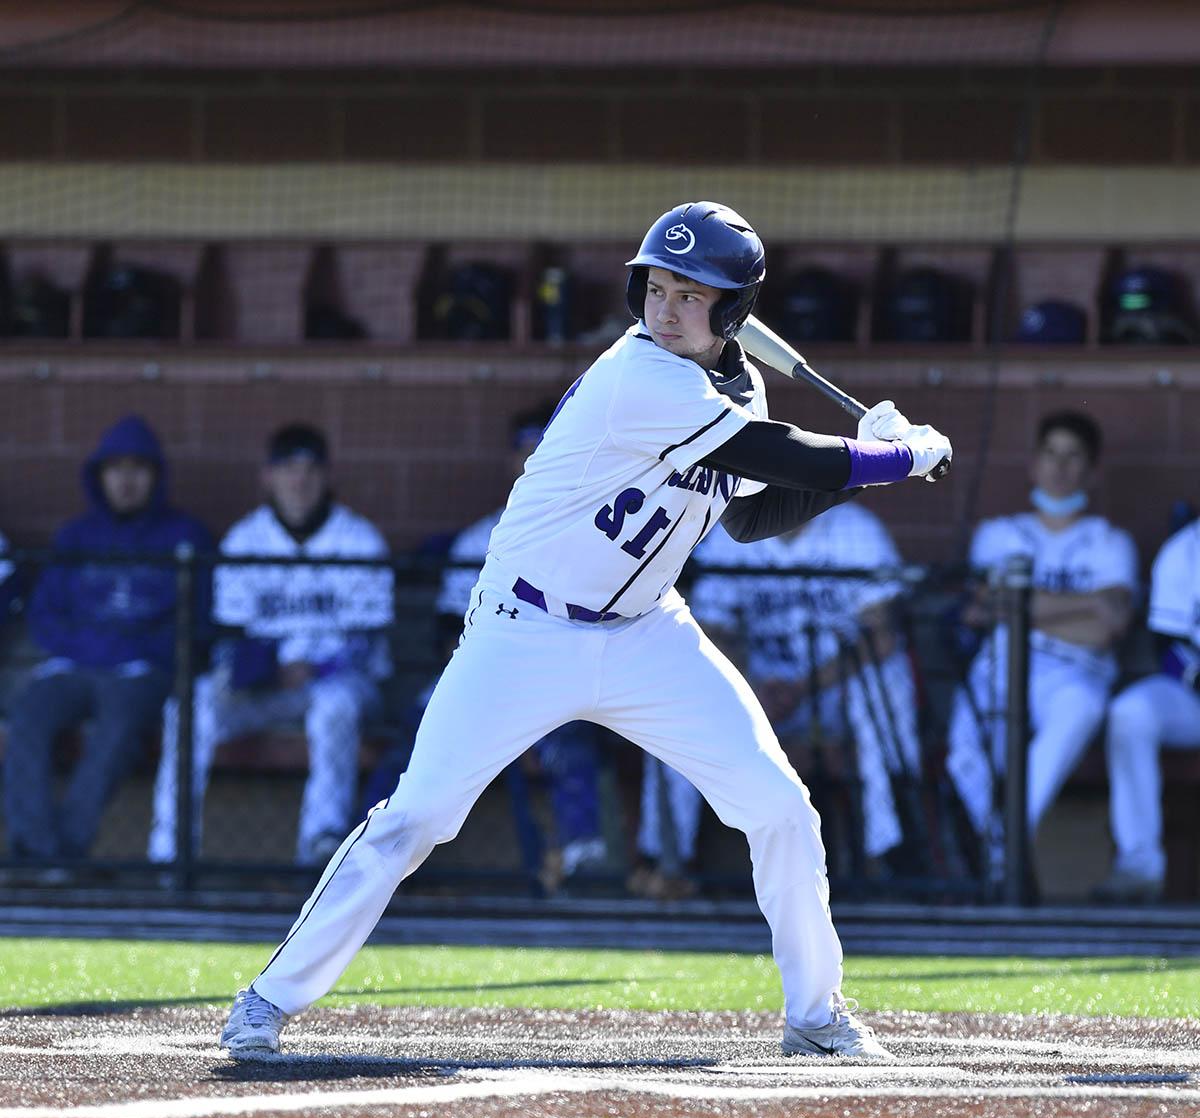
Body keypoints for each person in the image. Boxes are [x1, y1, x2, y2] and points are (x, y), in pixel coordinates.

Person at [218, 200, 951, 1060]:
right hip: (525, 628)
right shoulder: (638, 376)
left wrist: (858, 468)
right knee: (413, 819)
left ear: (733, 313)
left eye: (692, 296)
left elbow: (753, 514)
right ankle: (267, 999)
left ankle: (815, 1012)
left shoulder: (736, 386)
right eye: (658, 288)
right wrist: (897, 456)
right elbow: (782, 456)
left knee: (780, 807)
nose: (666, 309)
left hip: (647, 632)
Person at [360, 407, 607, 892]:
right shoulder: (480, 537)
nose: (534, 458)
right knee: (416, 736)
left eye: (545, 446)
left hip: (554, 679)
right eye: (526, 450)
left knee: (570, 743)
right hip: (476, 673)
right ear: (513, 459)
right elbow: (448, 631)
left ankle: (583, 863)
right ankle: (372, 852)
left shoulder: (596, 531)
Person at [631, 499, 922, 898]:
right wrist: (748, 690)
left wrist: (804, 689)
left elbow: (883, 635)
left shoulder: (853, 529)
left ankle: (888, 850)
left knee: (885, 677)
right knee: (679, 688)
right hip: (757, 693)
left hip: (836, 694)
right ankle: (665, 858)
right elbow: (710, 631)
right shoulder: (730, 531)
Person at [149, 424, 392, 867]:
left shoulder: (358, 539)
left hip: (337, 683)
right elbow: (229, 635)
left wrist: (314, 669)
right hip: (263, 686)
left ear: (326, 475)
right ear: (268, 477)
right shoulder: (245, 539)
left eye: (309, 469)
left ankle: (320, 841)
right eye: (288, 469)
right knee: (188, 707)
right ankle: (170, 849)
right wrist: (256, 670)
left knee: (334, 709)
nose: (299, 481)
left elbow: (367, 644)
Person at [3, 415, 211, 863]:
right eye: (115, 469)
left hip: (141, 671)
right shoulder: (77, 535)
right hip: (74, 663)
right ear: (99, 476)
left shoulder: (184, 535)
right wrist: (93, 649)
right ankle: (36, 849)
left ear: (156, 475)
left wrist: (128, 651)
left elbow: (196, 623)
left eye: (139, 468)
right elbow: (44, 614)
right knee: (29, 715)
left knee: (115, 730)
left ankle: (67, 852)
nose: (127, 480)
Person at [945, 411, 1137, 880]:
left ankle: (1002, 845)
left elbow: (1107, 627)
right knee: (964, 752)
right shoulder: (999, 533)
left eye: (1073, 457)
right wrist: (1085, 603)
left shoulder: (1110, 542)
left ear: (1091, 471)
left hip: (1076, 670)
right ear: (1033, 463)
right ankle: (996, 854)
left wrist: (1018, 608)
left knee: (1081, 709)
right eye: (1051, 453)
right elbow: (981, 609)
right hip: (1002, 662)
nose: (1060, 467)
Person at [1096, 516, 1200, 902]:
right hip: (1193, 695)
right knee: (1132, 712)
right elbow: (1167, 646)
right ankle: (1140, 864)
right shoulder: (1186, 550)